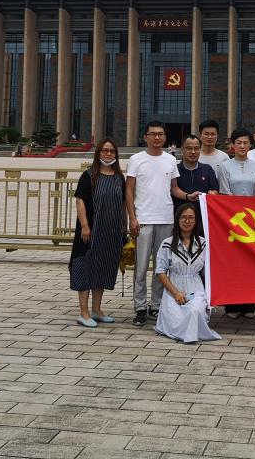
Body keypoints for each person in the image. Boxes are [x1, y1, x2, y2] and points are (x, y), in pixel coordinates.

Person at [126, 120, 188, 326]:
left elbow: (174, 189)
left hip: (165, 219)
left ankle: (156, 304)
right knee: (141, 267)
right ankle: (140, 307)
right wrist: (132, 217)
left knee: (161, 266)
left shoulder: (170, 159)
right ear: (145, 137)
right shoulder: (136, 159)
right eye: (152, 134)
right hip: (143, 219)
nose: (157, 137)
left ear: (165, 137)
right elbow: (129, 190)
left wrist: (189, 196)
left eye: (160, 134)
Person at [70, 139, 127, 328]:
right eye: (104, 151)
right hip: (90, 232)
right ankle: (83, 313)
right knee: (86, 267)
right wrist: (85, 226)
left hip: (111, 233)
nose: (108, 154)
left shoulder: (119, 177)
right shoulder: (88, 176)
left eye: (112, 151)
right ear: (98, 153)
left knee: (103, 267)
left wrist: (124, 227)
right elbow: (80, 201)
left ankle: (97, 310)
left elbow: (123, 204)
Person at [154, 203, 221, 344]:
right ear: (177, 220)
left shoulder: (203, 244)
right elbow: (160, 272)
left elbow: (209, 271)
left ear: (196, 221)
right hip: (173, 289)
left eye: (191, 217)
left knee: (194, 311)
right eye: (183, 217)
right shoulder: (167, 243)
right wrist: (176, 293)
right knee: (176, 319)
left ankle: (190, 334)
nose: (187, 221)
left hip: (196, 288)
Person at [217, 127, 255, 319]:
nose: (242, 146)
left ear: (250, 144)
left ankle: (249, 305)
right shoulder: (225, 166)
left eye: (245, 143)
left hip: (252, 221)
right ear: (232, 145)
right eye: (238, 143)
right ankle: (232, 306)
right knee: (232, 263)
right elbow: (224, 192)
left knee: (250, 263)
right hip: (232, 221)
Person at [176, 135, 219, 202]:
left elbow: (215, 190)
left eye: (196, 148)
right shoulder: (175, 170)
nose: (193, 152)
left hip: (202, 208)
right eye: (189, 148)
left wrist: (213, 193)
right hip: (180, 208)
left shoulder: (208, 169)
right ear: (182, 149)